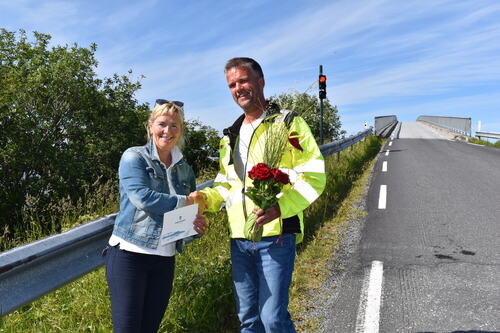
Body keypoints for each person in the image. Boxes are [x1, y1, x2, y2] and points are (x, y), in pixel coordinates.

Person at [192, 58, 326, 332]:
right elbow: (226, 184)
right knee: (248, 320)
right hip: (240, 239)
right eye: (232, 84)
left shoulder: (288, 123)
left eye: (243, 81)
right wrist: (204, 199)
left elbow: (314, 176)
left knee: (273, 320)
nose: (238, 88)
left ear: (260, 81)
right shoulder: (229, 136)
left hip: (276, 236)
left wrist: (281, 208)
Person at [103, 99, 207, 333]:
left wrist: (196, 226)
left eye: (174, 126)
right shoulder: (134, 157)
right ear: (150, 126)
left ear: (181, 131)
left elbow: (187, 213)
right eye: (162, 124)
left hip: (165, 257)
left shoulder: (184, 168)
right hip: (130, 255)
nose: (167, 131)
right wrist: (185, 201)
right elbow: (142, 198)